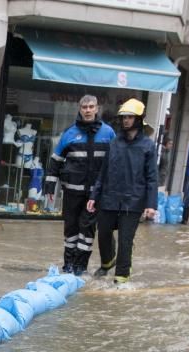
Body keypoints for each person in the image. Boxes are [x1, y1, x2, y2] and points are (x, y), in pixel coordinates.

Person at [87, 98, 158, 288]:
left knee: (126, 240)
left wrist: (151, 205)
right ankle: (107, 261)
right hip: (109, 197)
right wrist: (94, 196)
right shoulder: (114, 143)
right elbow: (103, 172)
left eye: (130, 117)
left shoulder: (148, 146)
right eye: (124, 117)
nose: (126, 120)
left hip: (133, 201)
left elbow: (152, 178)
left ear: (139, 119)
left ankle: (122, 276)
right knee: (103, 233)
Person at [44, 95, 116, 275]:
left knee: (87, 231)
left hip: (94, 195)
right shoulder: (69, 133)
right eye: (84, 107)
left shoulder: (108, 133)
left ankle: (80, 267)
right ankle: (68, 265)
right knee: (71, 229)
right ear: (80, 109)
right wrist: (50, 187)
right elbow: (56, 161)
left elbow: (115, 163)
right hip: (71, 192)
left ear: (97, 109)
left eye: (91, 106)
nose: (88, 110)